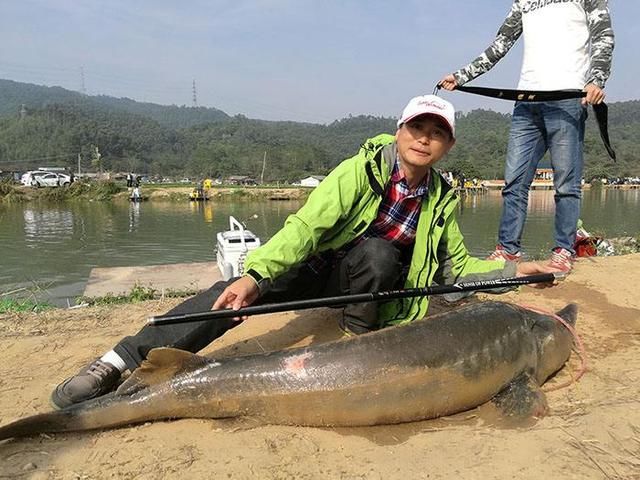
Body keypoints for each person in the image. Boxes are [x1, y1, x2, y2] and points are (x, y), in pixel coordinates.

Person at [50, 94, 557, 409]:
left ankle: (352, 349)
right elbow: (304, 228)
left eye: (437, 134)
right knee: (229, 298)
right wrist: (254, 276)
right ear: (400, 131)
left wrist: (515, 270)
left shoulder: (443, 197)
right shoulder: (359, 170)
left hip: (361, 284)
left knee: (381, 256)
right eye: (417, 129)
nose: (424, 140)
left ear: (448, 145)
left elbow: (457, 267)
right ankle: (118, 362)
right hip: (310, 265)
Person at [439, 0, 614, 273]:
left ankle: (563, 251)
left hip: (568, 97)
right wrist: (462, 76)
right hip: (526, 100)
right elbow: (501, 44)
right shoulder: (523, 2)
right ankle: (508, 251)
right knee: (514, 182)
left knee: (566, 184)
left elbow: (603, 36)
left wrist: (597, 79)